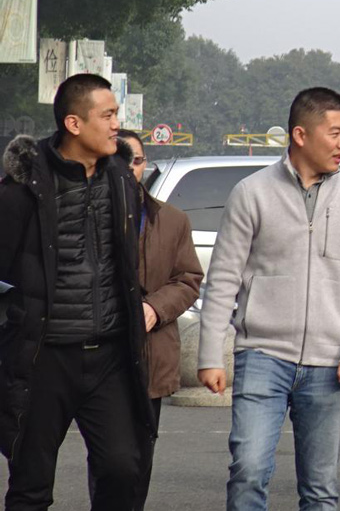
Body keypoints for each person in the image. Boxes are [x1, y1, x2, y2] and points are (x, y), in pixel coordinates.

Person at [197, 87, 340, 511]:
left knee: (320, 487)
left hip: (330, 363)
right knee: (248, 470)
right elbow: (223, 278)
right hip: (262, 354)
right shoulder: (252, 192)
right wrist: (210, 355)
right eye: (335, 133)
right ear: (300, 134)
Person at [0, 73, 155, 510]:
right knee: (31, 483)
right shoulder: (23, 187)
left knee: (123, 469)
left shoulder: (121, 179)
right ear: (74, 124)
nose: (116, 124)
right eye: (107, 115)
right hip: (44, 356)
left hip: (109, 355)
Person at [118, 129, 204, 510]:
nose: (129, 169)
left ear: (145, 165)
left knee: (139, 453)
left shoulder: (171, 220)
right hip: (98, 352)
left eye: (136, 161)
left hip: (150, 353)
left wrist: (154, 308)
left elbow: (188, 279)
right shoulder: (85, 215)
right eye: (119, 161)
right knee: (111, 458)